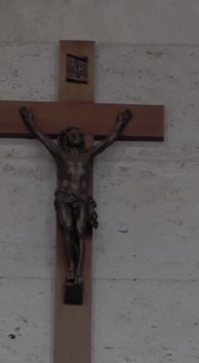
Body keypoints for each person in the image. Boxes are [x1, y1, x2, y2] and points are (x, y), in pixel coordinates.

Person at [19, 106, 132, 286]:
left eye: (79, 134)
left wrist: (121, 124)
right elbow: (42, 138)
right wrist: (29, 121)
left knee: (80, 231)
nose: (77, 136)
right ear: (65, 139)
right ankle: (71, 267)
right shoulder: (60, 153)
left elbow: (109, 141)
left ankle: (78, 270)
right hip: (64, 197)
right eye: (73, 134)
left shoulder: (88, 154)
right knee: (68, 229)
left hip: (81, 199)